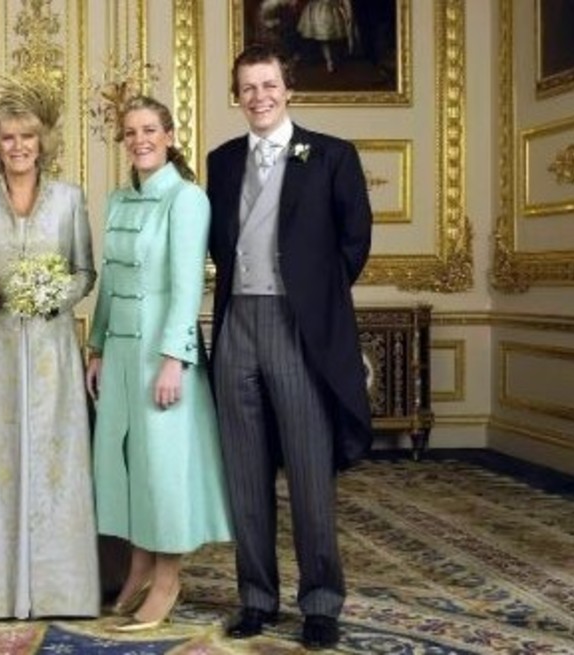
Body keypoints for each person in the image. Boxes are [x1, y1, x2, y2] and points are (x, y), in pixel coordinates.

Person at [206, 43, 372, 650]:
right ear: (237, 96)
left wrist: (312, 297)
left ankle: (321, 603)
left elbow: (355, 240)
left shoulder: (331, 155)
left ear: (288, 89)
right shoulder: (223, 160)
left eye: (269, 85)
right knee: (245, 474)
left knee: (308, 474)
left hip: (297, 327)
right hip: (236, 325)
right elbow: (220, 243)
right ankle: (256, 598)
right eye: (248, 87)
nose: (260, 97)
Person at [0, 79, 99, 620]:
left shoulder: (70, 198)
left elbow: (85, 271)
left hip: (54, 354)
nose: (18, 146)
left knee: (56, 463)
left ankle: (61, 591)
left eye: (27, 136)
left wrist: (59, 295)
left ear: (42, 141)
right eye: (7, 138)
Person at [85, 95, 233, 633]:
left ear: (169, 136)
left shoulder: (187, 198)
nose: (140, 140)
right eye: (131, 132)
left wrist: (175, 360)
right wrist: (97, 347)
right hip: (121, 353)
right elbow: (110, 280)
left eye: (150, 130)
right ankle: (139, 566)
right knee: (127, 464)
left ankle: (168, 580)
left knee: (164, 470)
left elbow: (188, 287)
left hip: (163, 354)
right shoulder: (119, 199)